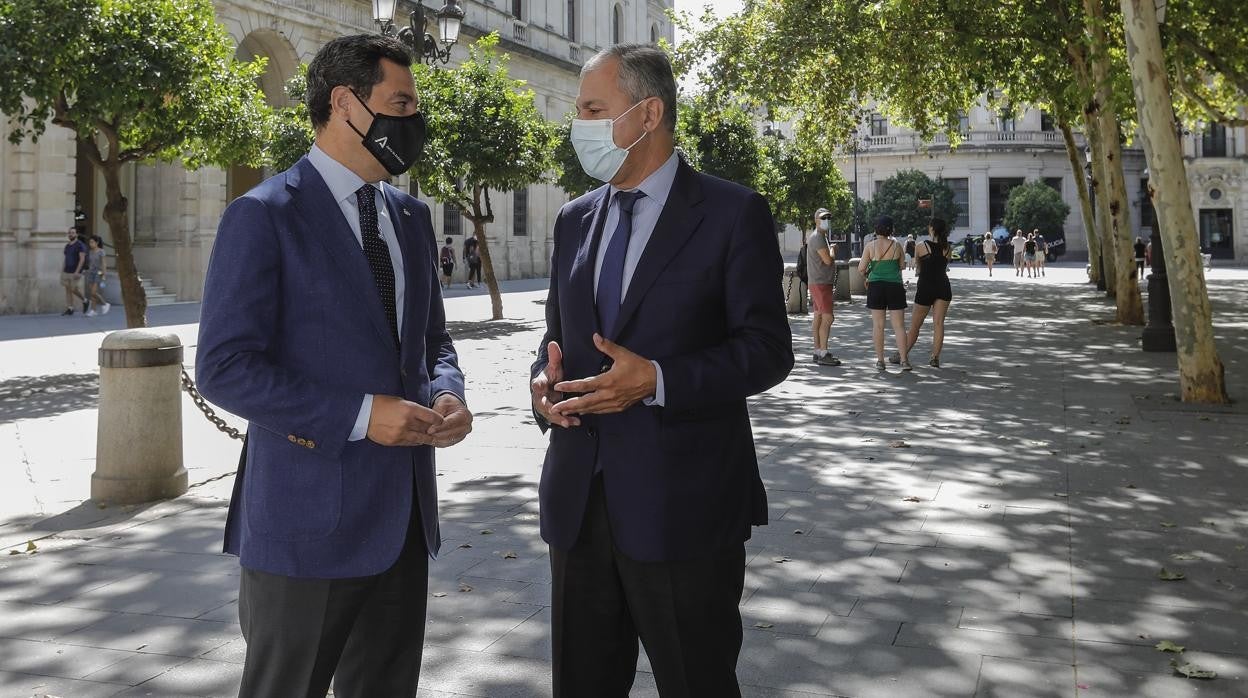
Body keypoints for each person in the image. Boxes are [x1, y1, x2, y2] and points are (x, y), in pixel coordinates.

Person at [194, 34, 472, 698]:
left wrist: (447, 390)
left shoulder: (410, 217)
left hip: (403, 525)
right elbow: (224, 367)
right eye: (400, 102)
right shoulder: (261, 217)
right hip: (303, 528)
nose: (414, 121)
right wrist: (360, 415)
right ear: (345, 104)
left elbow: (432, 339)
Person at [529, 44, 793, 696]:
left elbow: (767, 349)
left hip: (686, 509)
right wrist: (543, 380)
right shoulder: (573, 220)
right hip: (579, 506)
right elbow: (557, 338)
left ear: (647, 114)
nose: (579, 123)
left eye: (593, 109)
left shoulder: (733, 214)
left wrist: (659, 379)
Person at [858, 216, 910, 371]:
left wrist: (867, 276)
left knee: (878, 325)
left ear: (876, 228)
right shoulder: (897, 245)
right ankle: (904, 360)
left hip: (876, 287)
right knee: (899, 326)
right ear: (891, 230)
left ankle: (880, 361)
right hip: (895, 286)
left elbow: (861, 268)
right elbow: (902, 266)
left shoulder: (870, 246)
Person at [903, 218, 953, 367]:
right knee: (939, 324)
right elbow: (944, 266)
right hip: (943, 287)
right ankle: (935, 357)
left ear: (931, 229)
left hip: (925, 287)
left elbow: (918, 267)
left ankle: (902, 353)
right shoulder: (948, 249)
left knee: (915, 326)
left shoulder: (921, 246)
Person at [807, 207, 841, 366]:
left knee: (819, 317)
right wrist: (833, 250)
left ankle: (817, 350)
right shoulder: (818, 238)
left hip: (817, 282)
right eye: (823, 218)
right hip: (821, 283)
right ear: (816, 220)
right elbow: (828, 260)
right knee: (828, 317)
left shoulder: (819, 236)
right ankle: (823, 353)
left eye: (828, 218)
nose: (826, 220)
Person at [60, 227, 87, 316]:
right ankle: (70, 308)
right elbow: (66, 258)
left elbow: (82, 259)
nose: (71, 234)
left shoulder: (80, 245)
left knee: (73, 289)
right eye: (69, 233)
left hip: (75, 271)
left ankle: (85, 300)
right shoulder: (67, 246)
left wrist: (77, 271)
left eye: (73, 233)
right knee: (68, 290)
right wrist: (63, 269)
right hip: (67, 270)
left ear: (76, 234)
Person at [83, 235, 110, 316]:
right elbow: (90, 263)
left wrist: (104, 275)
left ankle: (105, 304)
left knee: (94, 292)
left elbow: (104, 264)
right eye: (90, 242)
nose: (90, 244)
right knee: (92, 293)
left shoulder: (101, 251)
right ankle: (93, 310)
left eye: (92, 242)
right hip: (91, 272)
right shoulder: (90, 252)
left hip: (99, 272)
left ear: (97, 242)